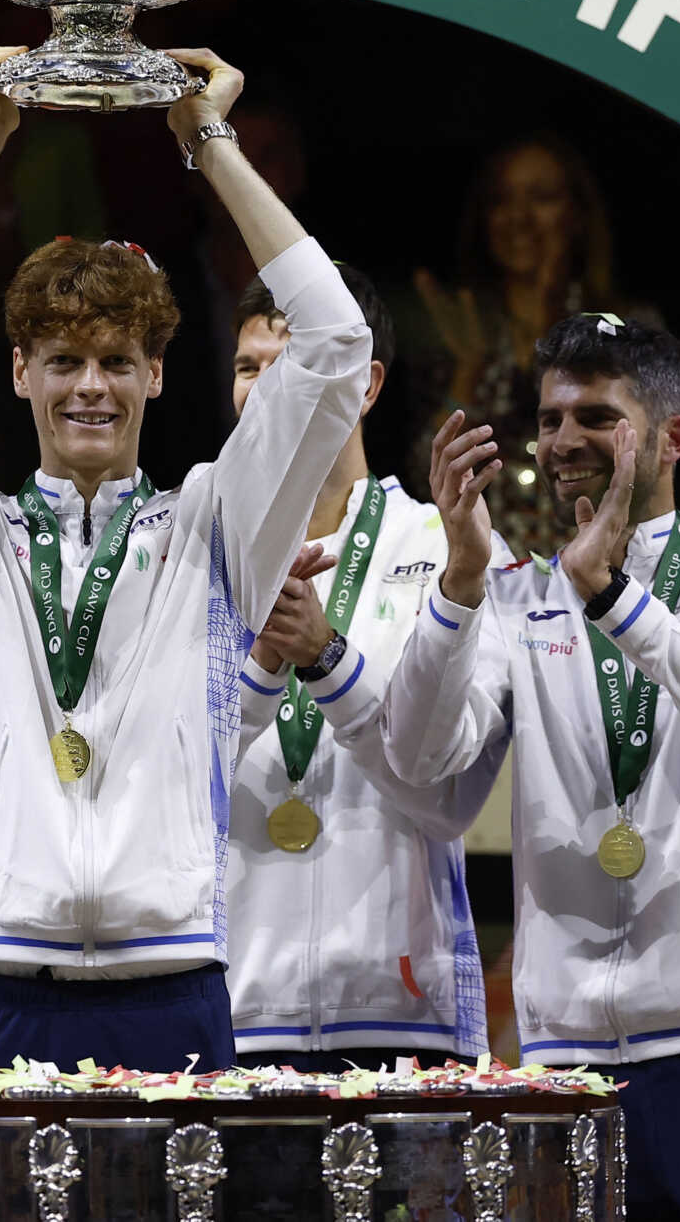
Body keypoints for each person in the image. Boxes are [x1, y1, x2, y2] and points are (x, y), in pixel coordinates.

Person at [0, 45, 370, 1222]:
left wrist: (207, 139)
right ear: (18, 369)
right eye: (64, 359)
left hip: (165, 984)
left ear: (157, 376)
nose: (92, 386)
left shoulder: (214, 532)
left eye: (119, 362)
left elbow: (333, 345)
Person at [371, 314, 680, 1218]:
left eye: (595, 416)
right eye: (550, 419)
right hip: (571, 1069)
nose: (563, 441)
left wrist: (617, 600)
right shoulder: (513, 601)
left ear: (671, 438)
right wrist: (460, 580)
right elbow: (422, 769)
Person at [223, 266, 504, 1070]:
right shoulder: (190, 553)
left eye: (298, 362)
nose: (271, 389)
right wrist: (264, 669)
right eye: (250, 368)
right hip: (232, 1020)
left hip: (405, 1022)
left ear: (367, 382)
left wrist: (327, 656)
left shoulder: (451, 552)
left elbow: (445, 788)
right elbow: (164, 780)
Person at [411, 136, 659, 557]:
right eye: (502, 201)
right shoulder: (462, 328)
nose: (519, 218)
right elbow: (423, 482)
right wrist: (467, 373)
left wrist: (552, 317)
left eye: (541, 198)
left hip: (598, 578)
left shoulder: (626, 328)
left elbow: (651, 468)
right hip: (489, 588)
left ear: (578, 216)